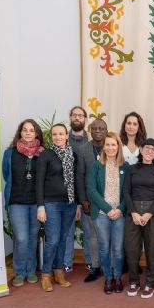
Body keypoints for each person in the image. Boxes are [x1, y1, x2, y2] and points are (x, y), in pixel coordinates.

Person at [36, 123, 78, 292]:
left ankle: (58, 271)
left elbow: (75, 181)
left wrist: (78, 204)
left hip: (69, 204)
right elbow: (39, 182)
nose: (58, 137)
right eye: (55, 134)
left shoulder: (73, 155)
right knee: (52, 240)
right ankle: (46, 275)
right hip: (51, 204)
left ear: (67, 136)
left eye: (61, 134)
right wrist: (40, 206)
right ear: (51, 136)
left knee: (62, 239)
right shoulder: (46, 155)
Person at [87, 132, 131, 294]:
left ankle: (117, 277)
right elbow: (92, 190)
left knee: (118, 249)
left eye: (113, 144)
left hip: (119, 214)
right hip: (101, 214)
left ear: (118, 147)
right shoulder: (96, 165)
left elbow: (128, 192)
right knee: (104, 248)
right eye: (107, 144)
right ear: (103, 147)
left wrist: (119, 209)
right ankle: (108, 278)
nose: (110, 148)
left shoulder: (126, 167)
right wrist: (108, 209)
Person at [2, 119, 44, 287]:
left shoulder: (42, 153)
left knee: (33, 237)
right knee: (21, 238)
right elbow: (6, 174)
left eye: (31, 130)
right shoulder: (10, 153)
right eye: (25, 130)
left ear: (36, 133)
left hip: (36, 203)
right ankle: (19, 272)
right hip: (16, 202)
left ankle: (31, 271)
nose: (28, 133)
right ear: (20, 132)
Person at [123, 138, 154, 298]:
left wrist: (149, 213)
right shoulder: (132, 169)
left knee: (152, 250)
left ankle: (150, 283)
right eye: (147, 148)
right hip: (133, 212)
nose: (149, 151)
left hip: (153, 213)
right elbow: (126, 192)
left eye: (153, 149)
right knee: (131, 250)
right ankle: (133, 282)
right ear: (141, 150)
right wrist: (133, 212)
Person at [72, 118, 107, 283]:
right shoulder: (83, 149)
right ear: (90, 131)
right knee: (92, 236)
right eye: (94, 128)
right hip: (89, 202)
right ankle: (95, 267)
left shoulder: (112, 146)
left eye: (101, 128)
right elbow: (79, 176)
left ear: (106, 131)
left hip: (109, 202)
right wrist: (82, 200)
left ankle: (109, 266)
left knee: (108, 236)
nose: (98, 131)